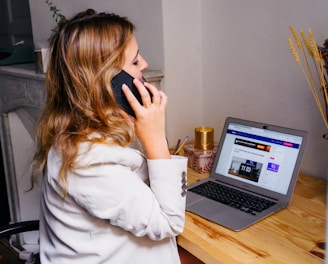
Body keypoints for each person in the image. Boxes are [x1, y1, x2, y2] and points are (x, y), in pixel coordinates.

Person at [32, 9, 188, 264]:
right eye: (135, 62)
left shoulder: (76, 132)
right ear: (108, 83)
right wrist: (156, 139)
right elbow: (168, 223)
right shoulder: (88, 162)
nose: (145, 65)